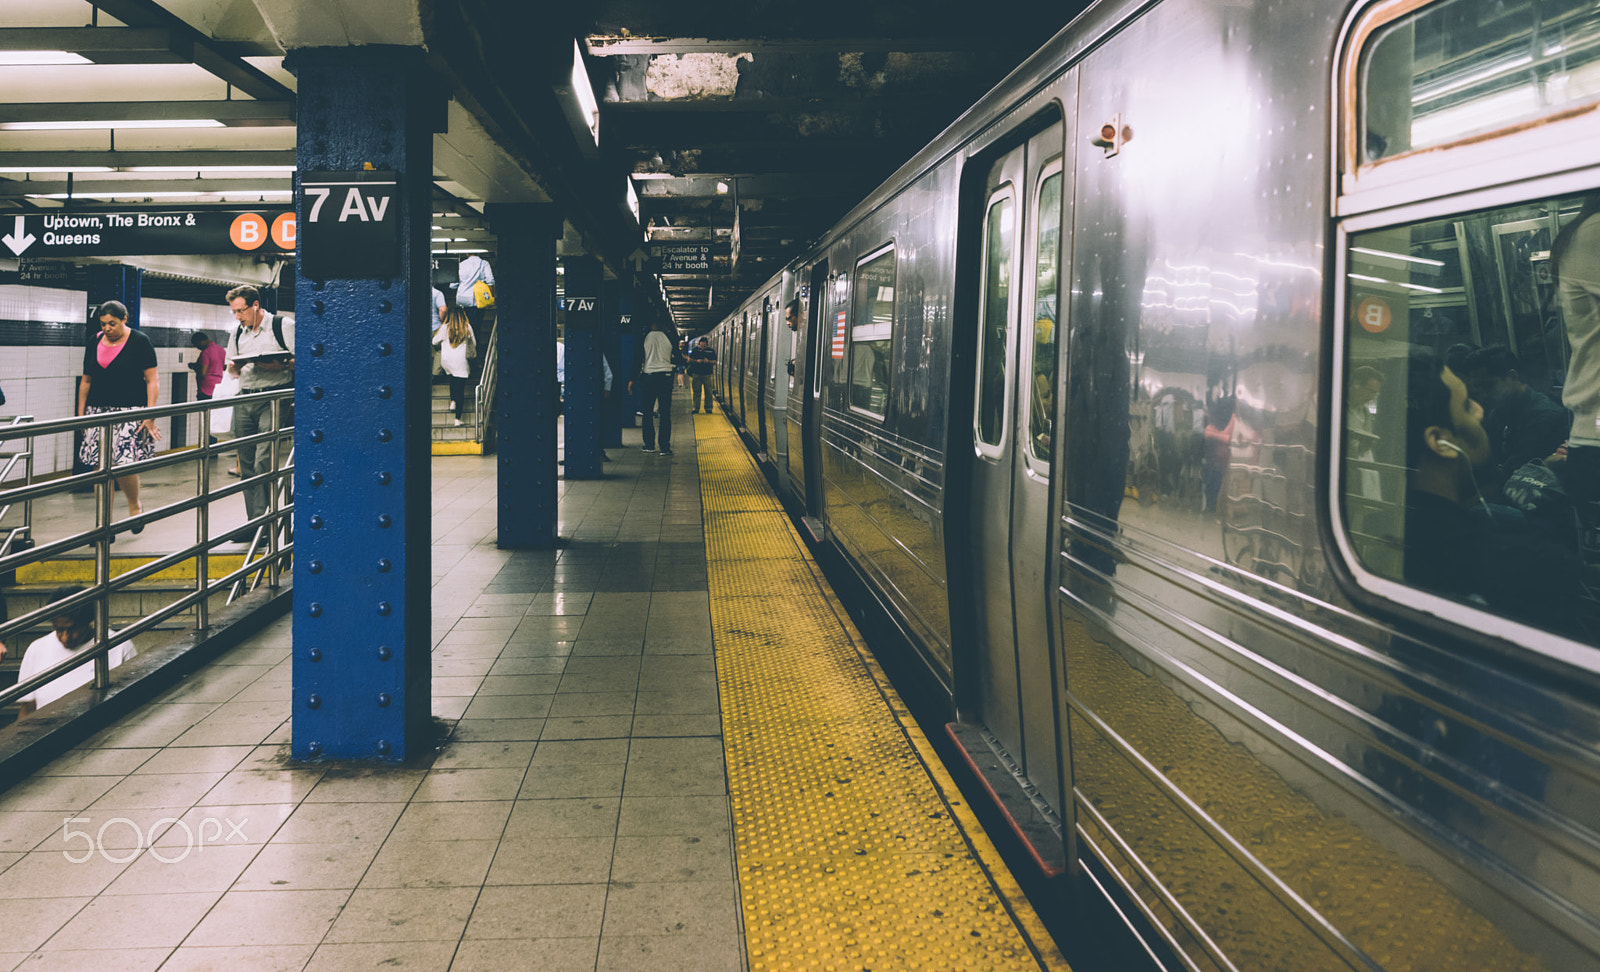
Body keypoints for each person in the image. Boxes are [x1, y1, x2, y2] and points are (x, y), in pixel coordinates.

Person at [1401, 348, 1582, 634]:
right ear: (1441, 442)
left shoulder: (1397, 530)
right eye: (1465, 406)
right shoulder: (1532, 564)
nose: (1479, 409)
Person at [78, 300, 161, 533]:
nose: (107, 328)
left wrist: (150, 414)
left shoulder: (139, 341)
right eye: (103, 324)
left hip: (129, 409)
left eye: (112, 324)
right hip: (97, 410)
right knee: (99, 466)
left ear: (124, 319)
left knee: (124, 463)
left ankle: (135, 507)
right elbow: (86, 381)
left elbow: (152, 380)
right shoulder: (93, 342)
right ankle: (104, 521)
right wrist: (81, 415)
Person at [224, 285, 294, 541]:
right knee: (247, 461)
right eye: (234, 312)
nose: (238, 317)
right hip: (245, 397)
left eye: (241, 311)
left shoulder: (283, 325)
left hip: (274, 396)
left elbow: (302, 362)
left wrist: (280, 364)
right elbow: (231, 369)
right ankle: (254, 523)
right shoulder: (236, 332)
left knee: (264, 459)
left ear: (255, 305)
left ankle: (266, 523)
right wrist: (234, 366)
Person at [15, 586, 136, 717]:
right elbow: (27, 709)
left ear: (87, 622)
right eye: (59, 629)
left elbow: (134, 703)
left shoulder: (119, 646)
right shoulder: (37, 649)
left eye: (72, 629)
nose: (65, 637)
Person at [1462, 345, 1571, 491]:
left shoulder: (1545, 415)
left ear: (1512, 377)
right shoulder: (1500, 410)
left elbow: (1513, 471)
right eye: (1478, 388)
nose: (1483, 395)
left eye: (1488, 386)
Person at [630, 317, 679, 456]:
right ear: (663, 326)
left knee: (647, 413)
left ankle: (649, 445)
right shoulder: (669, 337)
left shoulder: (645, 337)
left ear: (652, 325)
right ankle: (664, 447)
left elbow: (638, 358)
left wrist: (631, 379)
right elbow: (679, 358)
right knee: (665, 413)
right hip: (665, 377)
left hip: (648, 377)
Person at [432, 306, 476, 426]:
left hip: (447, 361)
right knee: (460, 389)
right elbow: (474, 343)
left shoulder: (445, 328)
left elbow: (434, 341)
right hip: (461, 361)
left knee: (452, 378)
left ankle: (452, 401)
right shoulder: (467, 327)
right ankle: (457, 419)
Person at [455, 254, 495, 332]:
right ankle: (474, 343)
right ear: (479, 253)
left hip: (462, 301)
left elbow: (453, 285)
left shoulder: (461, 265)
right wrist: (491, 298)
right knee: (476, 327)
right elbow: (490, 282)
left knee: (463, 327)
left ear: (467, 253)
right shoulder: (484, 263)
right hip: (478, 301)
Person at [189, 331, 226, 400]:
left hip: (206, 389)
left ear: (202, 341)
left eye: (197, 345)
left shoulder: (205, 353)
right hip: (218, 386)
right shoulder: (221, 350)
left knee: (204, 409)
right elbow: (223, 367)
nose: (198, 348)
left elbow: (203, 373)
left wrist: (195, 367)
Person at [688, 336, 717, 413]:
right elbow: (690, 360)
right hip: (696, 374)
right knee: (696, 392)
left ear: (706, 345)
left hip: (707, 374)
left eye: (704, 345)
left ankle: (708, 408)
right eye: (701, 345)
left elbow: (715, 362)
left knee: (708, 392)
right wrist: (697, 361)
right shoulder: (695, 350)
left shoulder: (711, 351)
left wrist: (708, 361)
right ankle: (696, 408)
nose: (702, 347)